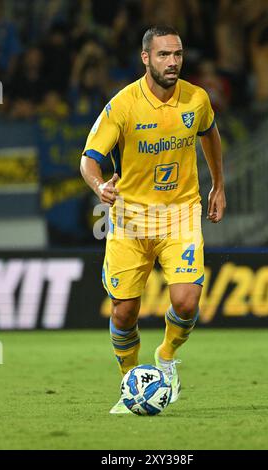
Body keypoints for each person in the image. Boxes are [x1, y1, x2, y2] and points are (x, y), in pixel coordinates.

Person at [80, 25, 226, 414]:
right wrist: (99, 188)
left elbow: (210, 134)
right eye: (163, 55)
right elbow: (89, 159)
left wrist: (218, 185)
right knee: (124, 311)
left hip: (180, 214)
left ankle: (165, 355)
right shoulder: (123, 105)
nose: (173, 62)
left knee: (187, 299)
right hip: (130, 219)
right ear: (146, 58)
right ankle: (130, 380)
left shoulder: (197, 99)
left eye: (177, 54)